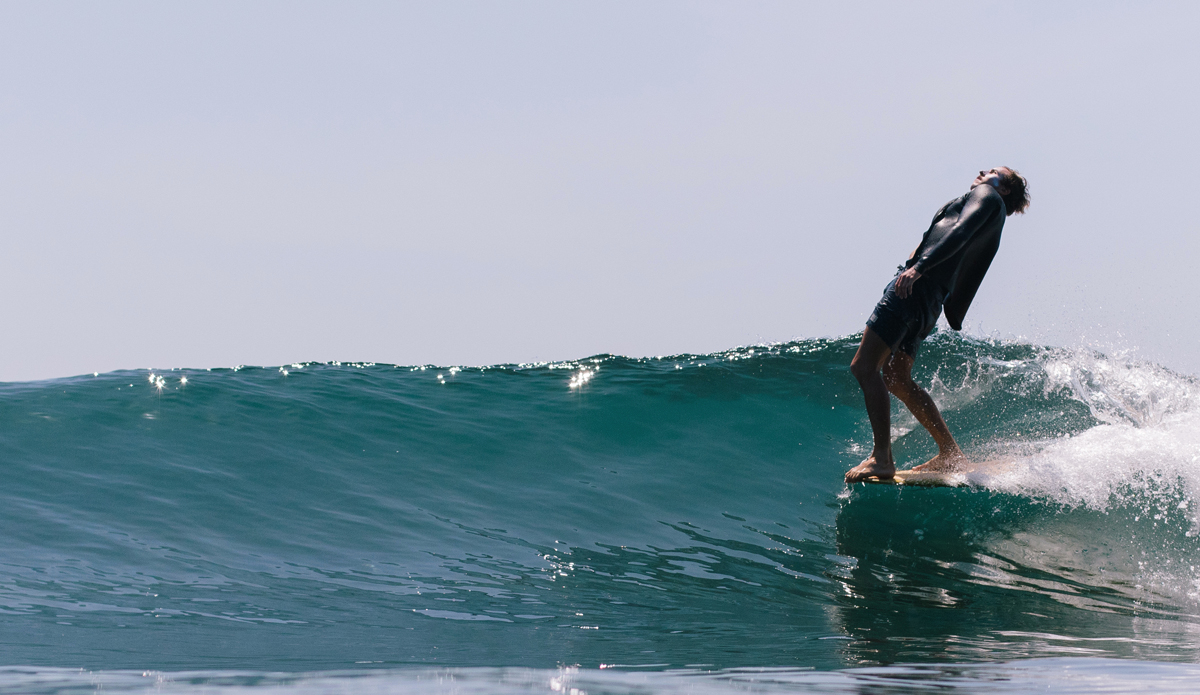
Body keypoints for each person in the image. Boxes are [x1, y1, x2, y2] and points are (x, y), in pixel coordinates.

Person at [844, 167, 1030, 483]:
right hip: (929, 300)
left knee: (864, 367)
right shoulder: (992, 217)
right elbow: (966, 259)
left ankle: (882, 458)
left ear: (1006, 189)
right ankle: (950, 453)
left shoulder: (985, 197)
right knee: (896, 377)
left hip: (915, 288)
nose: (983, 172)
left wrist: (917, 269)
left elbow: (959, 231)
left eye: (993, 171)